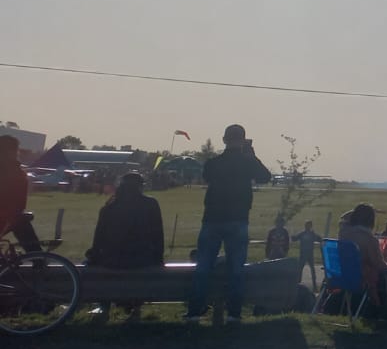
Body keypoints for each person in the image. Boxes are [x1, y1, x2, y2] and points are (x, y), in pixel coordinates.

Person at [186, 125, 273, 324]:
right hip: (238, 219)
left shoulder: (214, 163)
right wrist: (252, 156)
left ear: (224, 140)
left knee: (203, 267)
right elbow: (265, 177)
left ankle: (194, 311)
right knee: (236, 269)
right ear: (243, 140)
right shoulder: (247, 162)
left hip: (212, 219)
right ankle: (233, 313)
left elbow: (206, 176)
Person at [84, 171, 166, 321]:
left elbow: (99, 238)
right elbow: (158, 235)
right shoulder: (150, 204)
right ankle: (136, 308)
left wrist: (93, 256)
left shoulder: (109, 207)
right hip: (142, 259)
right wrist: (158, 257)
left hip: (113, 260)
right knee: (139, 275)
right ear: (140, 187)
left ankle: (104, 307)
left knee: (96, 269)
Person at [0, 134, 45, 253]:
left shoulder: (11, 172)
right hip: (12, 217)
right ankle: (38, 258)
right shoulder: (18, 172)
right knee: (22, 226)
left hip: (6, 217)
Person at [338, 204, 387, 303]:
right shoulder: (370, 239)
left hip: (342, 274)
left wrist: (358, 211)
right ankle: (380, 306)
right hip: (361, 278)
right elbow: (378, 263)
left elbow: (343, 218)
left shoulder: (343, 232)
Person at [293, 220, 322, 286]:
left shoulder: (306, 234)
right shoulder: (307, 234)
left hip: (307, 254)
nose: (307, 227)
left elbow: (319, 239)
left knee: (304, 269)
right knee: (303, 269)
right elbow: (319, 239)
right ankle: (300, 283)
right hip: (306, 254)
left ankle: (300, 284)